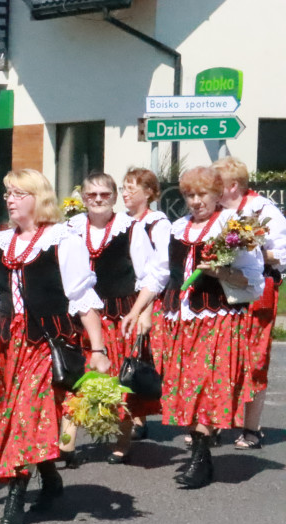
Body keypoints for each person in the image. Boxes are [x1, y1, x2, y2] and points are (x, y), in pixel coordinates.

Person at [0, 169, 110, 524]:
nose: (9, 199)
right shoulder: (1, 242)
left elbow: (83, 299)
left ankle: (16, 492)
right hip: (10, 346)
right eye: (8, 192)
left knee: (26, 414)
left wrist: (99, 349)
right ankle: (50, 476)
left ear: (37, 199)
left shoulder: (62, 239)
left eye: (18, 193)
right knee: (15, 417)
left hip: (47, 344)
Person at [123, 166, 263, 488]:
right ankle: (201, 454)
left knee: (204, 385)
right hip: (176, 321)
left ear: (217, 194)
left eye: (202, 194)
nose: (196, 201)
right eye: (189, 195)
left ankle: (200, 458)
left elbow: (252, 280)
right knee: (184, 388)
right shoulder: (176, 228)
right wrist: (137, 309)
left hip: (216, 319)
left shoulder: (233, 226)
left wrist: (220, 272)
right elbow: (159, 274)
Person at [65, 172, 164, 464]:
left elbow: (150, 276)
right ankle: (66, 444)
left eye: (104, 194)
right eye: (91, 195)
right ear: (82, 197)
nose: (97, 200)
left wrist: (141, 312)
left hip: (118, 315)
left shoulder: (130, 229)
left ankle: (122, 442)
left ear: (114, 198)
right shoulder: (70, 229)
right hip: (78, 317)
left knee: (121, 380)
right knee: (75, 378)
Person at [212, 157, 286, 450]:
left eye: (216, 184)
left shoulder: (263, 209)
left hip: (256, 292)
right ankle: (215, 423)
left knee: (254, 359)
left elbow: (281, 253)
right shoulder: (215, 211)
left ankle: (252, 428)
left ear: (232, 186)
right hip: (219, 290)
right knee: (219, 357)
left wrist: (246, 251)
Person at [120, 168, 171, 441]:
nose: (125, 193)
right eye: (123, 187)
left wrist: (144, 310)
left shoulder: (157, 223)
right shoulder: (122, 222)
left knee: (142, 357)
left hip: (148, 299)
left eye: (132, 187)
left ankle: (140, 417)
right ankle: (133, 416)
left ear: (149, 192)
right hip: (124, 298)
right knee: (129, 356)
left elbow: (158, 271)